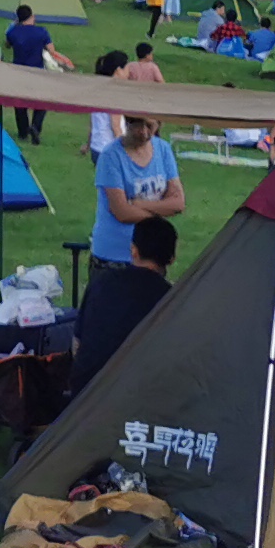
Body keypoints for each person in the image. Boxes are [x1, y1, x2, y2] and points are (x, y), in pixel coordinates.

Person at [70, 220, 177, 396]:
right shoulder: (171, 298)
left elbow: (77, 344)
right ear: (172, 259)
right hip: (133, 396)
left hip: (84, 392)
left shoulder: (101, 281)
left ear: (133, 250)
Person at [90, 111, 181, 273]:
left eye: (150, 126)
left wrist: (139, 204)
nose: (144, 132)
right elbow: (122, 212)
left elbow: (178, 202)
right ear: (128, 122)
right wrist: (161, 212)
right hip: (114, 254)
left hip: (151, 255)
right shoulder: (111, 156)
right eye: (139, 125)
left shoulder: (163, 150)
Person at [3, 3, 54, 143]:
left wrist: (13, 26)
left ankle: (23, 131)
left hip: (18, 71)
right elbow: (51, 50)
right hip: (37, 71)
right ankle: (36, 126)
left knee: (20, 103)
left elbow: (7, 45)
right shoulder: (41, 32)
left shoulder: (13, 32)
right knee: (41, 101)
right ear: (32, 16)